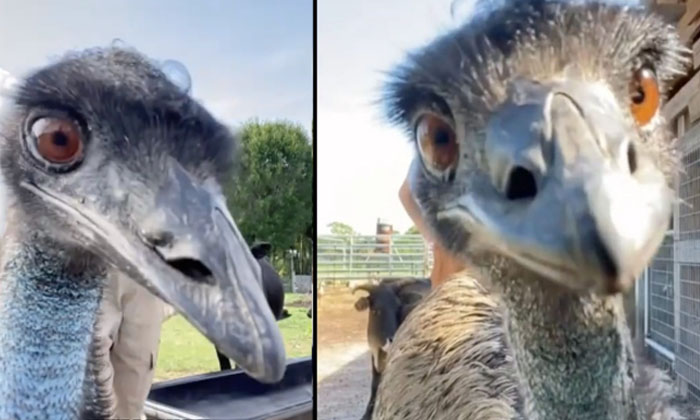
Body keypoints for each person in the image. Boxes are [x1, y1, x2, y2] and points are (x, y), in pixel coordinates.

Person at [399, 176, 466, 288]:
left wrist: (432, 236)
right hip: (463, 280)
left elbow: (405, 194)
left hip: (442, 282)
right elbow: (405, 194)